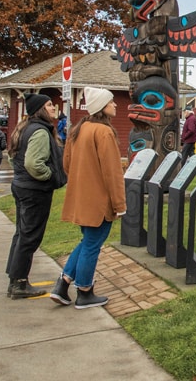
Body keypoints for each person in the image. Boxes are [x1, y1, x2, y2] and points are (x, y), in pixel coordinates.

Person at [51, 87, 126, 309]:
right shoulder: (103, 132)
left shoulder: (78, 129)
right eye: (111, 102)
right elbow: (112, 172)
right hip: (99, 201)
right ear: (102, 107)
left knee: (87, 242)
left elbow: (67, 164)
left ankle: (63, 284)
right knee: (93, 244)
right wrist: (119, 204)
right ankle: (84, 291)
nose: (116, 105)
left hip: (81, 197)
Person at [5, 93, 66, 299]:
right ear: (40, 109)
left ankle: (15, 279)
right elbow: (33, 163)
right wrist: (49, 176)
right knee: (30, 236)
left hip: (21, 185)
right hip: (34, 190)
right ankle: (20, 283)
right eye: (49, 105)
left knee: (21, 233)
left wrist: (21, 174)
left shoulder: (23, 128)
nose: (53, 108)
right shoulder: (40, 132)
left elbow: (12, 156)